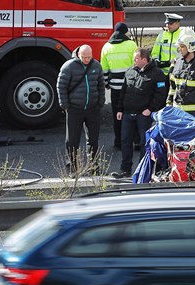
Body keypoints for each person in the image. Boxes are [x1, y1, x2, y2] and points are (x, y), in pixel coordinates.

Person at [110, 48, 167, 179]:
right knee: (125, 141)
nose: (134, 61)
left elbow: (160, 94)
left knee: (144, 142)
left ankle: (143, 170)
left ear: (144, 59)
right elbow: (123, 91)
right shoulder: (130, 71)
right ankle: (125, 169)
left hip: (144, 114)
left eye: (136, 58)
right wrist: (120, 109)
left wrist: (150, 109)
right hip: (128, 113)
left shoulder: (157, 73)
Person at [56, 44, 105, 175]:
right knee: (72, 140)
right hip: (74, 109)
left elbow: (101, 84)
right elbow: (61, 86)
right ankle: (72, 168)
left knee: (93, 140)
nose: (87, 60)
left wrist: (101, 102)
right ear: (78, 55)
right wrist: (65, 105)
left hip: (92, 108)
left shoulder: (96, 66)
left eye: (89, 57)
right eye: (84, 57)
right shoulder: (69, 66)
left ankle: (93, 167)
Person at [100, 22, 138, 150]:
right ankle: (136, 141)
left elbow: (104, 69)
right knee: (133, 113)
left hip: (115, 88)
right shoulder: (131, 45)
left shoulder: (106, 47)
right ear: (124, 32)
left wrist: (106, 83)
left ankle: (119, 142)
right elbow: (137, 65)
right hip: (130, 87)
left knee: (117, 115)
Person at [166, 34, 195, 119]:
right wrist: (169, 102)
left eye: (182, 47)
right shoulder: (178, 63)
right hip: (178, 111)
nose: (179, 49)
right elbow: (172, 86)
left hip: (194, 113)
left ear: (190, 47)